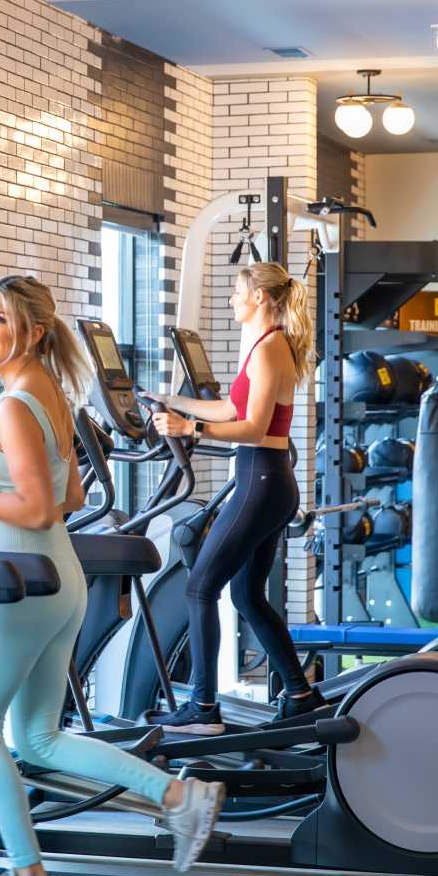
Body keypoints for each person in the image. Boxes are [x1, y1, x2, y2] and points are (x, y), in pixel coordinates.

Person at [0, 275, 225, 876]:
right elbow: (71, 492)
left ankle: (27, 874)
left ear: (33, 332)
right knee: (36, 737)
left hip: (27, 582)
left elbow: (39, 509)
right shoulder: (49, 392)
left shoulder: (14, 405)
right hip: (60, 577)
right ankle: (178, 798)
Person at [144, 262, 320, 735]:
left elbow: (252, 428)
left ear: (261, 297)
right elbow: (230, 408)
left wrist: (191, 429)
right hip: (267, 480)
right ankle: (301, 695)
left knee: (200, 587)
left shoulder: (269, 349)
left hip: (260, 479)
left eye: (237, 291)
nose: (231, 299)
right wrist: (171, 401)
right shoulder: (266, 345)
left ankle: (202, 710)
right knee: (245, 594)